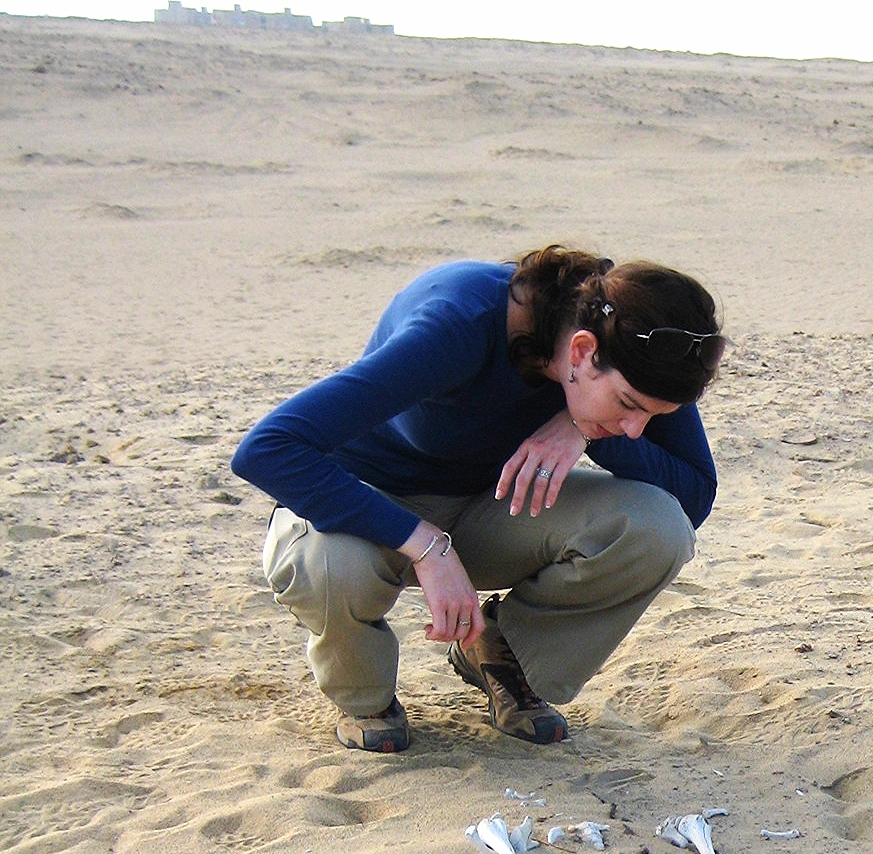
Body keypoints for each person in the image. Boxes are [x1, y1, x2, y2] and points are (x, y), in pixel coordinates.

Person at [231, 247, 723, 750]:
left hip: (487, 505)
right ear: (579, 352)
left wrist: (589, 430)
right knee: (330, 565)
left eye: (653, 417)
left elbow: (694, 497)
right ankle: (365, 695)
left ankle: (500, 650)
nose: (636, 429)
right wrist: (425, 545)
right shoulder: (459, 320)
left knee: (657, 529)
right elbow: (267, 450)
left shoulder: (640, 341)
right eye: (627, 407)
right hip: (363, 504)